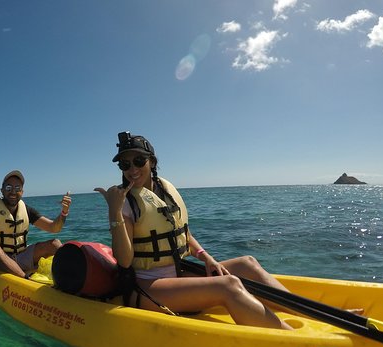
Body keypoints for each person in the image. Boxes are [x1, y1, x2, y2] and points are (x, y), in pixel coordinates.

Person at [94, 132, 293, 330]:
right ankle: (293, 341)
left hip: (178, 273)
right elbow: (125, 260)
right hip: (148, 286)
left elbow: (181, 232)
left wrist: (205, 256)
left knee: (247, 264)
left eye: (138, 160)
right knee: (228, 286)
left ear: (152, 162)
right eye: (125, 164)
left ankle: (305, 316)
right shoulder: (124, 202)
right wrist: (114, 211)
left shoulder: (163, 189)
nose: (132, 169)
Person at [0, 170, 72, 278]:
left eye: (17, 188)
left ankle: (71, 278)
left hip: (20, 256)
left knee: (55, 244)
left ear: (22, 192)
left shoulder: (26, 209)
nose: (13, 192)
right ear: (2, 190)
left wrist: (64, 212)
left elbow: (53, 228)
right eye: (8, 188)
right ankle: (26, 280)